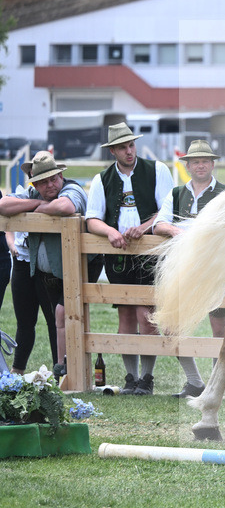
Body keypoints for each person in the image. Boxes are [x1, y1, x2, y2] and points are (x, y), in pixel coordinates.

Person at [85, 122, 173, 396]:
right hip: (119, 254)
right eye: (122, 147)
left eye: (131, 145)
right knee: (125, 313)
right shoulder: (102, 179)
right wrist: (111, 232)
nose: (129, 151)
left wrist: (145, 227)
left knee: (146, 314)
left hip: (150, 252)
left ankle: (147, 378)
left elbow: (167, 211)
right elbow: (92, 219)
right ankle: (130, 377)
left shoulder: (157, 170)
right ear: (113, 151)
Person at [153, 139, 225, 398]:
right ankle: (195, 381)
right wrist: (179, 232)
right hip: (183, 267)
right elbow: (159, 224)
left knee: (218, 328)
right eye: (195, 161)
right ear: (187, 165)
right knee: (171, 326)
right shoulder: (176, 194)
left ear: (212, 164)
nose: (200, 165)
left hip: (215, 267)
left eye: (205, 161)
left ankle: (215, 385)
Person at [0, 152, 89, 378]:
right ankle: (25, 370)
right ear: (35, 183)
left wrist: (31, 208)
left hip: (72, 270)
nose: (50, 185)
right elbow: (4, 205)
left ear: (61, 175)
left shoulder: (73, 188)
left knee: (57, 319)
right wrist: (39, 203)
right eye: (43, 181)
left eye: (53, 179)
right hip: (42, 269)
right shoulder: (33, 193)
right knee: (31, 320)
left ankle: (63, 371)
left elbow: (65, 207)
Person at [4, 230, 58, 374]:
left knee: (55, 322)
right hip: (21, 260)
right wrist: (10, 242)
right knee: (24, 322)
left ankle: (60, 371)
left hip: (46, 261)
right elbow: (8, 223)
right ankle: (17, 370)